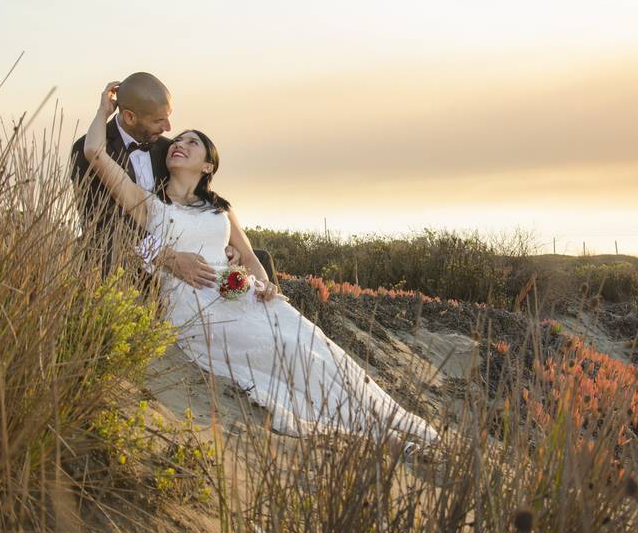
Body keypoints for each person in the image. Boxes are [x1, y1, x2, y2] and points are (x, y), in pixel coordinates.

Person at [80, 81, 439, 447]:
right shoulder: (148, 203)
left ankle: (390, 420)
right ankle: (373, 435)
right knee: (285, 356)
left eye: (191, 142)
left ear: (207, 166)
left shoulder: (219, 207)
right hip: (188, 299)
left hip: (238, 293)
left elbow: (249, 257)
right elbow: (97, 162)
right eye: (176, 138)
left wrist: (262, 282)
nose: (176, 141)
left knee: (312, 345)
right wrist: (101, 111)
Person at [70, 72, 276, 288]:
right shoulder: (87, 151)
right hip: (125, 259)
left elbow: (198, 203)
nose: (169, 128)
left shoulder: (168, 149)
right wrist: (170, 258)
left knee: (260, 260)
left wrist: (219, 246)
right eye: (159, 120)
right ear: (130, 117)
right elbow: (104, 226)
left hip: (191, 258)